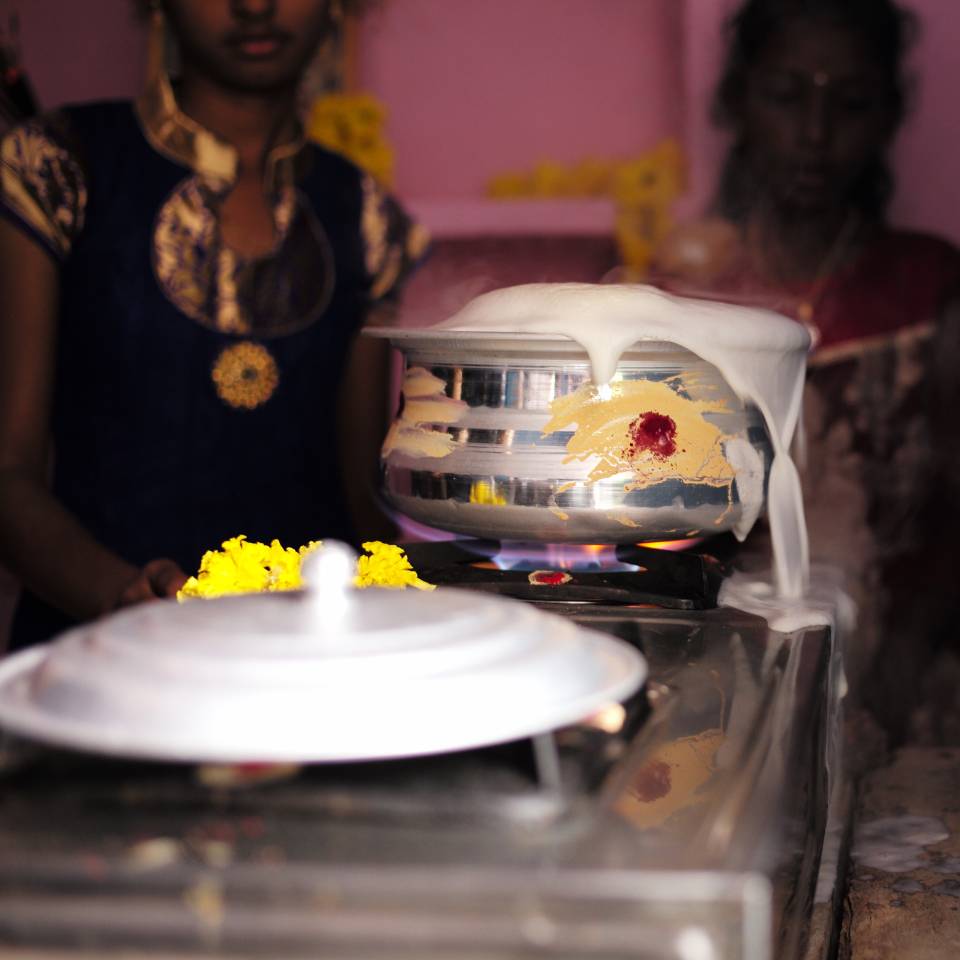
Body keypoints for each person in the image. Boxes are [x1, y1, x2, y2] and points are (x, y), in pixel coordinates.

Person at [0, 0, 427, 651]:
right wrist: (125, 597)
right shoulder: (56, 167)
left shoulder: (366, 216)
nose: (254, 6)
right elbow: (8, 474)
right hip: (92, 665)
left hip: (310, 661)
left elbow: (362, 502)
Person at [654, 0, 960, 745]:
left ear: (887, 114)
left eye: (848, 104)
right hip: (723, 697)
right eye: (787, 97)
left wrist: (901, 670)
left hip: (912, 698)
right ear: (738, 101)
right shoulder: (675, 299)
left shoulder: (929, 287)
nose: (815, 137)